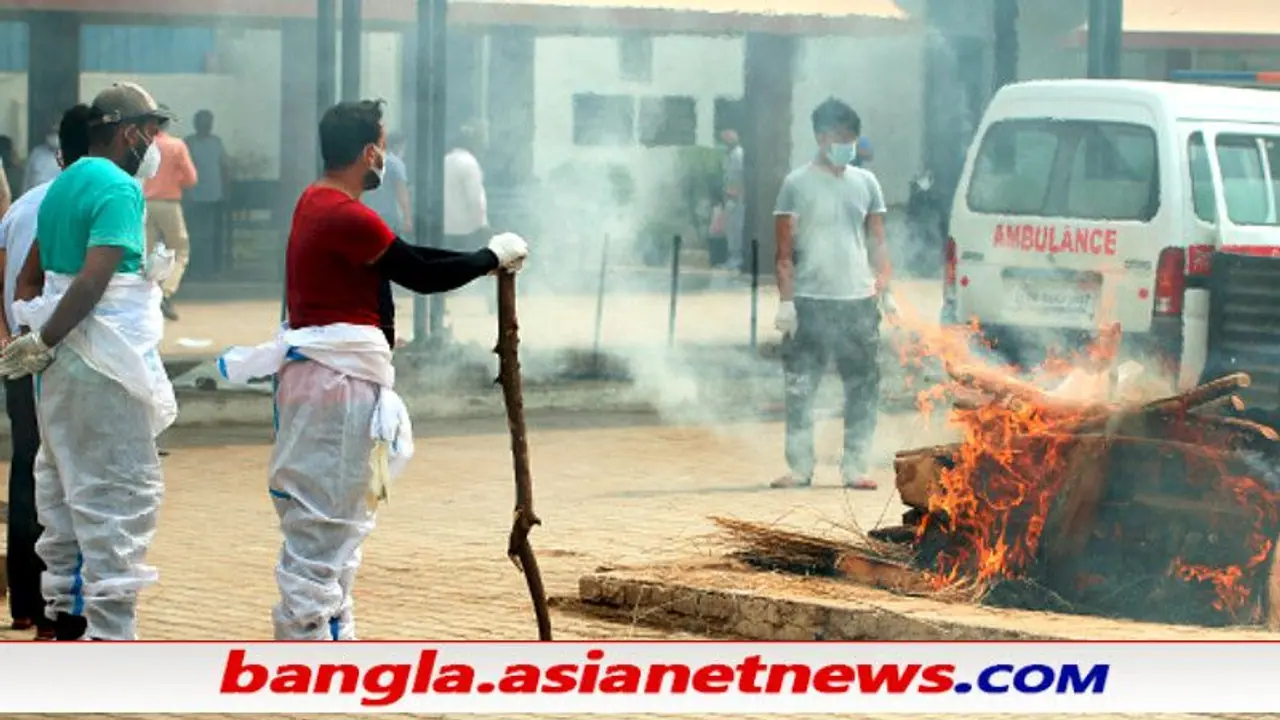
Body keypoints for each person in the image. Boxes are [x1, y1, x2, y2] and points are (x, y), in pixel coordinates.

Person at [216, 100, 527, 640]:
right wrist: (488, 258)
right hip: (334, 392)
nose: (387, 155)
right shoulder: (343, 213)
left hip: (329, 384)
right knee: (322, 536)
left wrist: (485, 256)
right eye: (383, 145)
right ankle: (307, 667)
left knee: (335, 534)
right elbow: (420, 273)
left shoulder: (319, 202)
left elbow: (403, 257)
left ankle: (329, 650)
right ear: (369, 152)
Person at [0, 82, 178, 641]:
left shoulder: (58, 187)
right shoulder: (121, 189)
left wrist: (34, 335)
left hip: (59, 374)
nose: (154, 142)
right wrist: (48, 335)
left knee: (65, 489)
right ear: (127, 131)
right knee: (118, 496)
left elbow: (32, 277)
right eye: (151, 131)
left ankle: (67, 613)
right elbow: (96, 279)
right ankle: (111, 633)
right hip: (103, 366)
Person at [770, 97, 897, 491]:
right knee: (800, 387)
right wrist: (787, 302)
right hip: (811, 301)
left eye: (853, 139)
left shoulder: (866, 183)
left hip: (858, 303)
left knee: (862, 386)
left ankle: (855, 466)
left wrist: (885, 287)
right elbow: (784, 252)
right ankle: (800, 468)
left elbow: (877, 241)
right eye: (841, 138)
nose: (848, 145)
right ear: (822, 137)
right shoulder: (796, 184)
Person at [0, 105, 93, 641]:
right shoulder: (93, 205)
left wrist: (9, 338)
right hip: (65, 361)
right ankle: (67, 605)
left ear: (59, 155)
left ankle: (27, 603)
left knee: (26, 471)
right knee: (68, 479)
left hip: (19, 355)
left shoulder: (23, 208)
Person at [144, 117, 198, 320]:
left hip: (145, 203)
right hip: (168, 203)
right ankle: (165, 293)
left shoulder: (144, 144)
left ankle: (145, 297)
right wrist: (174, 179)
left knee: (146, 253)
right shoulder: (176, 145)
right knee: (180, 250)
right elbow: (191, 179)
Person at [184, 110, 230, 279]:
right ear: (196, 124)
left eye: (208, 122)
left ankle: (209, 270)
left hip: (214, 195)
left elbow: (224, 166)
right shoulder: (188, 143)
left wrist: (226, 191)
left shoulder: (217, 143)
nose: (206, 125)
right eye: (202, 122)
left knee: (211, 235)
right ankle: (193, 269)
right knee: (194, 234)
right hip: (193, 195)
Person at [361, 132, 411, 237]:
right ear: (398, 145)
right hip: (388, 216)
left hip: (369, 213)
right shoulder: (397, 164)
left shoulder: (372, 161)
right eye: (404, 147)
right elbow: (401, 192)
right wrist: (407, 218)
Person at [719, 128, 746, 272]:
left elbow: (740, 177)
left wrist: (735, 193)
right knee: (730, 229)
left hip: (737, 198)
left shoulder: (738, 155)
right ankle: (732, 258)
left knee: (736, 229)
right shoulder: (728, 156)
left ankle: (737, 259)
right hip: (730, 197)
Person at [22, 121, 62, 195]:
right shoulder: (37, 153)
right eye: (51, 132)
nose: (54, 136)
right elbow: (27, 180)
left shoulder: (69, 155)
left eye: (57, 132)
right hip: (34, 200)